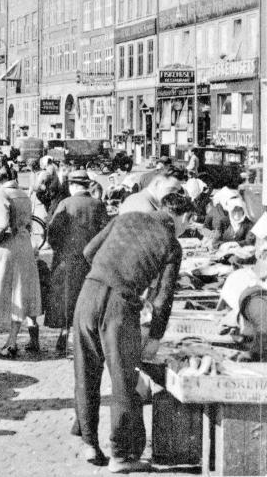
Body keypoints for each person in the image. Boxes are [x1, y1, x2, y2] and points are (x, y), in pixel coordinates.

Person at [72, 193, 194, 472]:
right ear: (185, 218)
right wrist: (154, 338)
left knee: (85, 373)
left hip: (88, 293)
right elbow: (163, 299)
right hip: (119, 306)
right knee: (124, 380)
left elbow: (89, 251)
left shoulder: (125, 217)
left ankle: (89, 444)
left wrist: (113, 269)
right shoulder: (172, 244)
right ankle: (122, 455)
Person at [0, 166, 42, 356]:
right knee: (19, 292)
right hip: (25, 245)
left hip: (6, 247)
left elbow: (1, 224)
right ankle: (11, 341)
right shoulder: (23, 194)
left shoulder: (2, 194)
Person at [46, 170, 108, 354]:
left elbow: (52, 232)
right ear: (87, 185)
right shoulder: (98, 205)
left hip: (67, 259)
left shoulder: (65, 203)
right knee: (88, 299)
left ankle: (64, 337)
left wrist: (59, 248)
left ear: (72, 186)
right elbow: (106, 233)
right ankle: (86, 339)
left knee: (67, 299)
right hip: (91, 261)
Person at [117, 170, 183, 215]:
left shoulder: (137, 197)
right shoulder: (148, 210)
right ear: (157, 183)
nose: (174, 194)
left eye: (177, 191)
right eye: (171, 189)